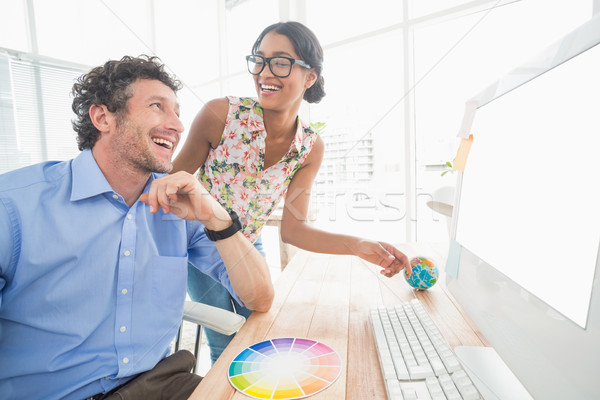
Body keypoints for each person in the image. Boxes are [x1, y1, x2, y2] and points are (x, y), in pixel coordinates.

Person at [0, 55, 274, 400]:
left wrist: (215, 216)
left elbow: (260, 297)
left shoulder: (180, 206)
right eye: (158, 106)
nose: (176, 125)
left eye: (177, 112)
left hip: (160, 385)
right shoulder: (12, 206)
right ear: (103, 117)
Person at [172, 21, 412, 364]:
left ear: (309, 76)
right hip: (198, 240)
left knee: (257, 335)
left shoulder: (310, 147)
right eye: (260, 60)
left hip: (246, 241)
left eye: (281, 62)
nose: (265, 72)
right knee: (224, 342)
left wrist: (359, 246)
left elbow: (294, 229)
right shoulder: (220, 115)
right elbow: (169, 183)